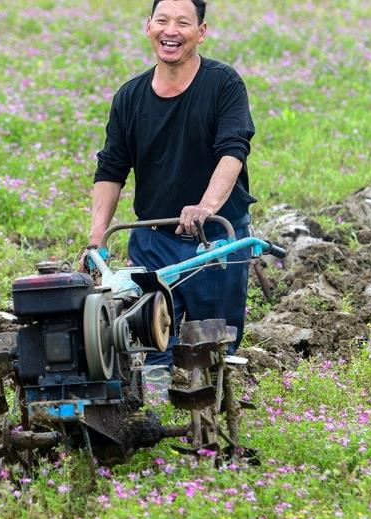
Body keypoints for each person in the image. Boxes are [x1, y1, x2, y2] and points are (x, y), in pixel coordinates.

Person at [87, 0, 255, 365]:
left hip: (215, 241)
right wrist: (97, 235)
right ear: (148, 27)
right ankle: (155, 412)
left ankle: (207, 414)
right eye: (162, 21)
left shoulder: (223, 84)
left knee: (211, 350)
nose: (171, 31)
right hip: (153, 242)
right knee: (151, 346)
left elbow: (233, 151)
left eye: (183, 22)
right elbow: (111, 168)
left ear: (201, 32)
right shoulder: (130, 97)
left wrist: (206, 207)